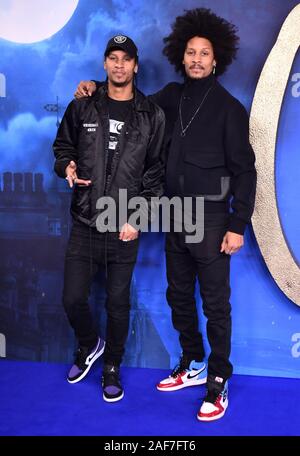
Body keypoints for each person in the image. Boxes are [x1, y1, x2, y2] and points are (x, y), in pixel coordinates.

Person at [75, 8, 256, 421]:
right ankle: (193, 363)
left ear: (216, 60)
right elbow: (129, 102)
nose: (196, 59)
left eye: (203, 54)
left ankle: (218, 380)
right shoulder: (171, 98)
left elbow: (246, 171)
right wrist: (94, 88)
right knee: (178, 296)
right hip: (175, 214)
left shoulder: (229, 109)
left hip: (211, 219)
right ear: (182, 55)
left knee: (215, 305)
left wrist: (237, 225)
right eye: (190, 52)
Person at [53, 35, 165, 403]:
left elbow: (155, 175)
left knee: (118, 305)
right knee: (73, 299)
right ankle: (89, 345)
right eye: (112, 58)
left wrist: (137, 219)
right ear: (104, 64)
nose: (119, 65)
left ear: (135, 65)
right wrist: (65, 165)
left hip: (123, 228)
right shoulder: (82, 106)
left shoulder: (151, 115)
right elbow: (63, 146)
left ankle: (112, 366)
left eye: (126, 59)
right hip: (85, 221)